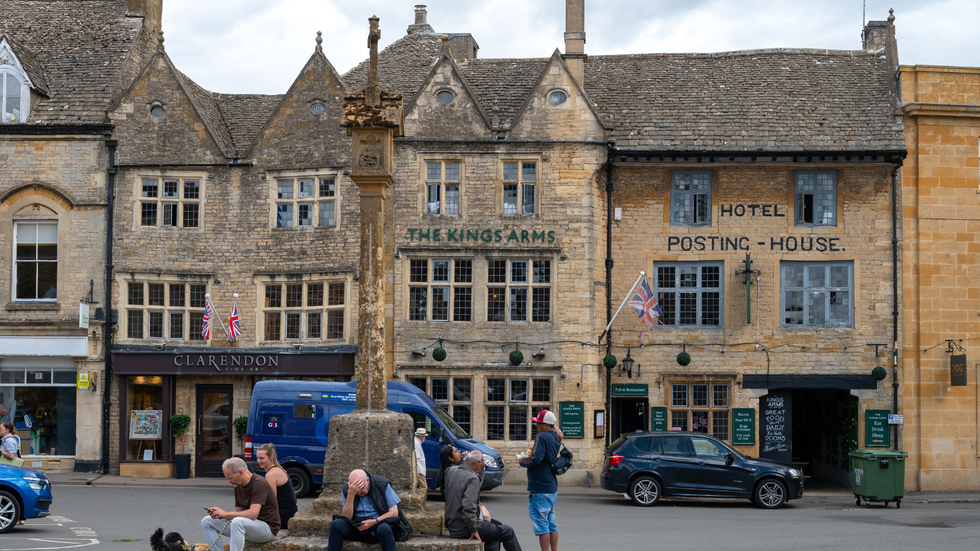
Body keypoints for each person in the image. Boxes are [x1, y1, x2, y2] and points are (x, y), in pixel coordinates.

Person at [446, 451, 522, 551]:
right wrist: (473, 529)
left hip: (454, 525)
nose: (484, 465)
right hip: (465, 528)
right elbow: (468, 507)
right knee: (508, 531)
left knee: (496, 528)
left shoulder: (456, 474)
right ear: (477, 462)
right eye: (483, 462)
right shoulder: (472, 478)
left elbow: (477, 479)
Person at [201, 457, 279, 551]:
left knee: (238, 522)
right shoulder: (238, 485)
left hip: (267, 529)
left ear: (241, 472)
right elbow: (238, 512)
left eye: (230, 478)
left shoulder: (259, 483)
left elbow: (253, 514)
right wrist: (220, 515)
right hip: (248, 526)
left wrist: (225, 514)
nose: (228, 481)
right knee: (207, 521)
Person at [327, 469, 412, 551]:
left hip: (378, 525)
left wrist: (375, 521)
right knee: (336, 524)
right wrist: (351, 495)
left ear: (367, 480)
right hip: (357, 527)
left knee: (384, 529)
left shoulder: (382, 484)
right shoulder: (348, 490)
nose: (360, 492)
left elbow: (394, 512)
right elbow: (346, 517)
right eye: (357, 489)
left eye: (362, 488)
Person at [519, 410, 563, 551]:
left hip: (540, 487)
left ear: (546, 425)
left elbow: (535, 459)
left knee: (542, 526)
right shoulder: (556, 436)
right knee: (551, 523)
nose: (536, 425)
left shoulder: (541, 436)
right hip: (551, 485)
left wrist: (522, 460)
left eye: (538, 423)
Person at [255, 443, 297, 529]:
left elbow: (271, 501)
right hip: (290, 511)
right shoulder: (278, 469)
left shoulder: (271, 474)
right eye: (257, 458)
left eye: (262, 458)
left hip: (283, 515)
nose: (259, 461)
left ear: (271, 456)